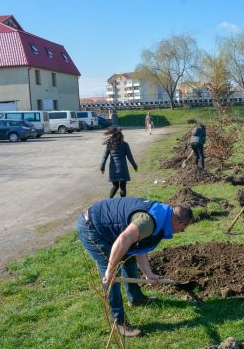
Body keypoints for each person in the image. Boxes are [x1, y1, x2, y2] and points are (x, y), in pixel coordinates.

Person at [76, 197, 193, 337]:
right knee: (112, 276)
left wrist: (148, 274)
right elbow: (123, 240)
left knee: (129, 258)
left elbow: (139, 247)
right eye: (184, 228)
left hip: (110, 227)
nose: (182, 231)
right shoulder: (148, 222)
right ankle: (118, 322)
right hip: (93, 226)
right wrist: (110, 269)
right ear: (180, 223)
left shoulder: (162, 215)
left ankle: (136, 297)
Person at [100, 127, 138, 198]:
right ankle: (122, 203)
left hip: (113, 170)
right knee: (123, 187)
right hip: (123, 169)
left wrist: (102, 168)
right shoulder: (125, 144)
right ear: (121, 136)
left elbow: (104, 157)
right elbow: (130, 157)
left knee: (115, 186)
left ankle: (109, 200)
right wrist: (135, 166)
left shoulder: (109, 144)